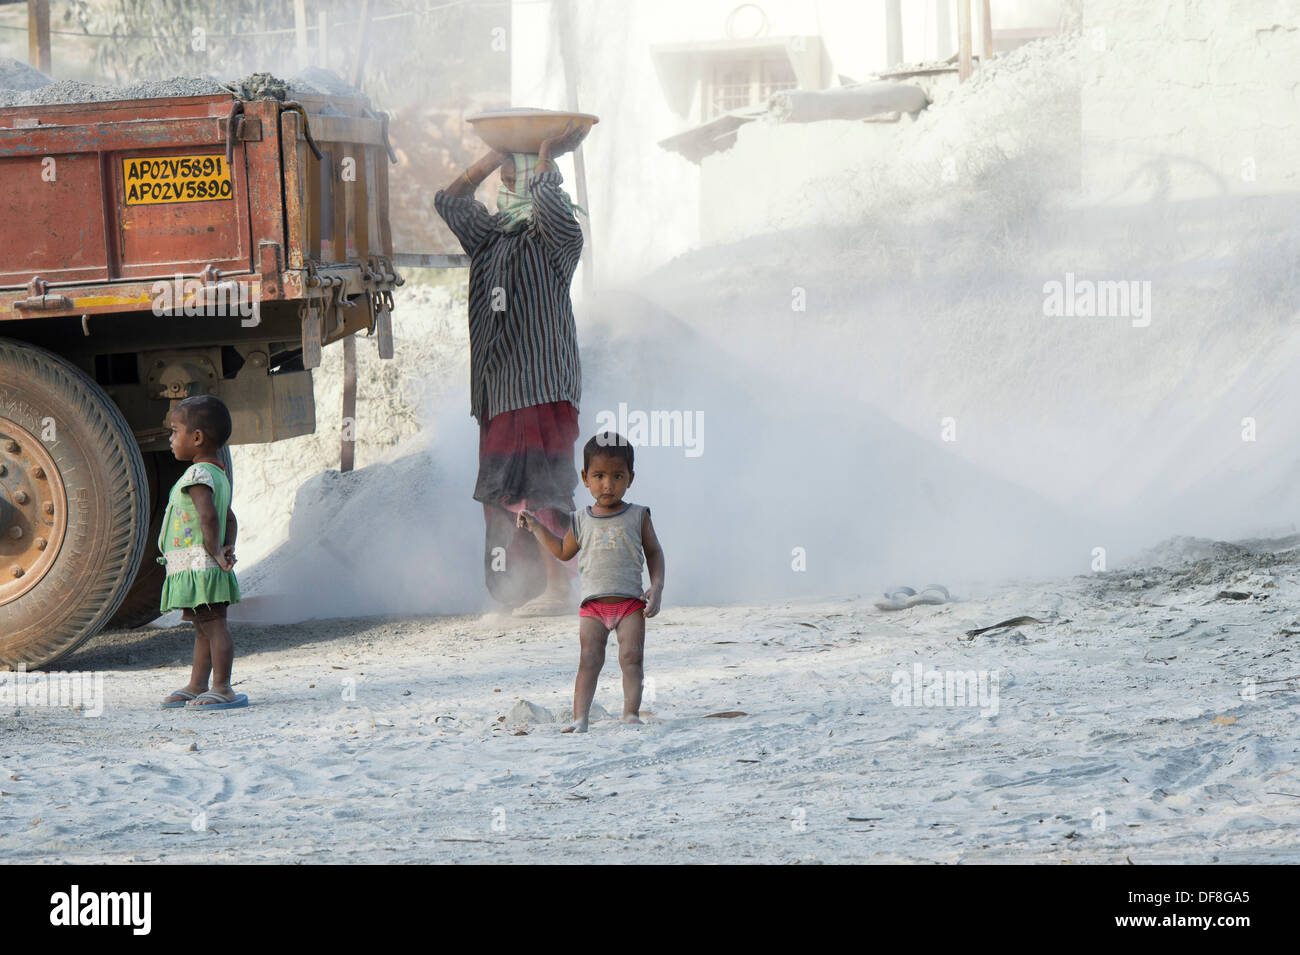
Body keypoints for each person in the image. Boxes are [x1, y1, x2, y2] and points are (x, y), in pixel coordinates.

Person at [434, 121, 589, 616]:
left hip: (542, 385)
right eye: (501, 174)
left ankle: (560, 588)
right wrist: (493, 153)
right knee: (502, 492)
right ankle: (517, 590)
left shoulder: (557, 240)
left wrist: (542, 154)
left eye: (508, 174)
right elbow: (450, 201)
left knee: (544, 486)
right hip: (499, 390)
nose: (501, 181)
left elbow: (548, 200)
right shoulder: (489, 238)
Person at [518, 432, 665, 733]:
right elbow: (562, 550)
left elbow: (654, 552)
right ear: (585, 478)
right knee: (588, 660)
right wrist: (536, 526)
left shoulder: (638, 516)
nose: (608, 484)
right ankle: (579, 719)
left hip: (630, 604)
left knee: (631, 658)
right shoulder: (581, 520)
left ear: (630, 478)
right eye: (599, 475)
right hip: (593, 607)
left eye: (617, 476)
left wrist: (657, 587)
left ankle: (630, 713)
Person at [157, 395, 246, 711]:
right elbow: (229, 518)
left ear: (196, 438)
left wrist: (214, 552)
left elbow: (209, 516)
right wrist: (227, 547)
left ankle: (222, 687)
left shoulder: (197, 476)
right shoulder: (217, 474)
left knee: (214, 626)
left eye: (175, 431)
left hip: (201, 566)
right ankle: (198, 684)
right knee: (204, 628)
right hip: (203, 565)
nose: (170, 439)